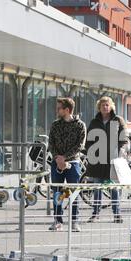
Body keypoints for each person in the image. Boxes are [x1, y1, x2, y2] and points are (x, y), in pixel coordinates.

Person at [84, 96, 128, 223]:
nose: (105, 107)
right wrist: (90, 152)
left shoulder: (118, 120)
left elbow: (124, 139)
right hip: (97, 160)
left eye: (107, 105)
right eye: (102, 105)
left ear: (111, 106)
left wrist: (121, 151)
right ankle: (95, 213)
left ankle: (117, 214)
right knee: (97, 187)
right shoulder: (94, 122)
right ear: (99, 107)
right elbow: (89, 140)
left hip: (113, 161)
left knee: (114, 188)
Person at [48, 97, 86, 232]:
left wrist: (65, 158)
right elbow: (51, 144)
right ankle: (57, 220)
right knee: (57, 191)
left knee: (73, 191)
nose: (57, 110)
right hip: (57, 162)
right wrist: (58, 159)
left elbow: (80, 146)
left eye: (59, 108)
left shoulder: (80, 125)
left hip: (73, 162)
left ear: (67, 110)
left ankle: (74, 220)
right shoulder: (55, 125)